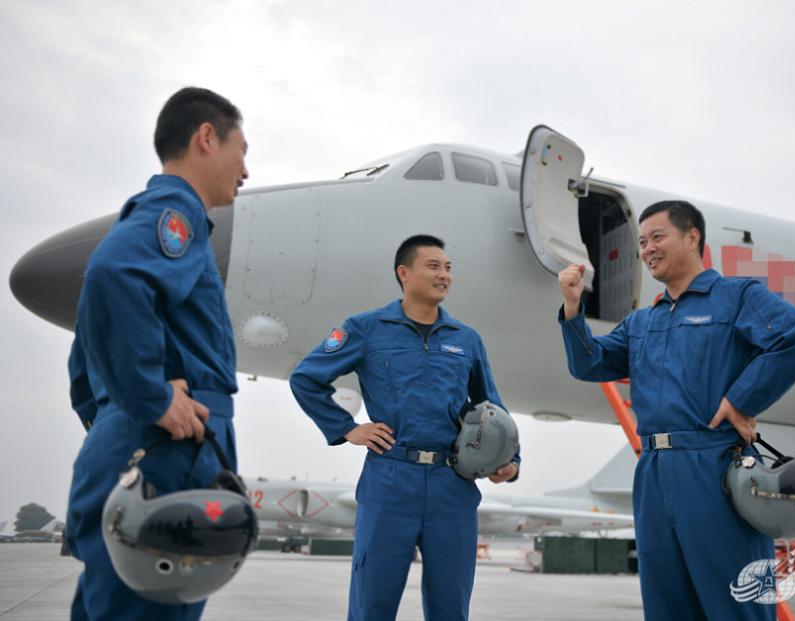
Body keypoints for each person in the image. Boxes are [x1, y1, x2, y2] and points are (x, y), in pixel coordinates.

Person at [557, 200, 795, 620]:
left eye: (657, 237)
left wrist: (742, 398)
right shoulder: (641, 322)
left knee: (737, 601)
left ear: (692, 237)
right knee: (666, 603)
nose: (647, 249)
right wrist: (572, 309)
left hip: (714, 465)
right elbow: (588, 363)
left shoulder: (737, 296)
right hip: (653, 469)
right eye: (642, 242)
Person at [66, 87, 249, 621]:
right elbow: (114, 277)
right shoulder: (175, 212)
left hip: (133, 441)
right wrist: (149, 402)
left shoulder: (139, 222)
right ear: (206, 138)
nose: (246, 170)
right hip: (168, 445)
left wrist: (116, 419)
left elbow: (85, 359)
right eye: (242, 149)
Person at [290, 234, 520, 621]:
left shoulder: (466, 339)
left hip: (453, 486)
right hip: (390, 479)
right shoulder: (366, 329)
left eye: (448, 268)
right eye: (433, 266)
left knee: (451, 605)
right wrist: (347, 428)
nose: (444, 275)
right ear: (404, 272)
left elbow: (492, 408)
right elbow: (306, 378)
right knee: (372, 602)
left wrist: (510, 462)